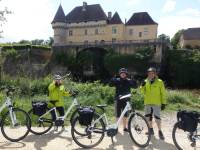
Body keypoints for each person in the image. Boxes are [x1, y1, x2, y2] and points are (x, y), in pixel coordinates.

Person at [140, 67, 166, 140]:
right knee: (148, 117)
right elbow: (142, 91)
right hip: (147, 102)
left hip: (156, 103)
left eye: (152, 73)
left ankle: (160, 131)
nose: (150, 74)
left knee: (157, 118)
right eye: (149, 73)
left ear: (155, 74)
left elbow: (163, 93)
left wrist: (163, 103)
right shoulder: (146, 81)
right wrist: (142, 85)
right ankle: (150, 130)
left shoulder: (160, 82)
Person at [110, 68, 137, 132]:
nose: (123, 74)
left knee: (125, 115)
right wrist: (112, 80)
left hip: (126, 100)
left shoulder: (129, 81)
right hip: (118, 100)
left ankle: (125, 127)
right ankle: (116, 128)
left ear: (126, 74)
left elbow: (135, 86)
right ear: (120, 74)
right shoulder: (117, 80)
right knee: (118, 115)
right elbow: (110, 85)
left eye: (124, 73)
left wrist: (134, 80)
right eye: (121, 73)